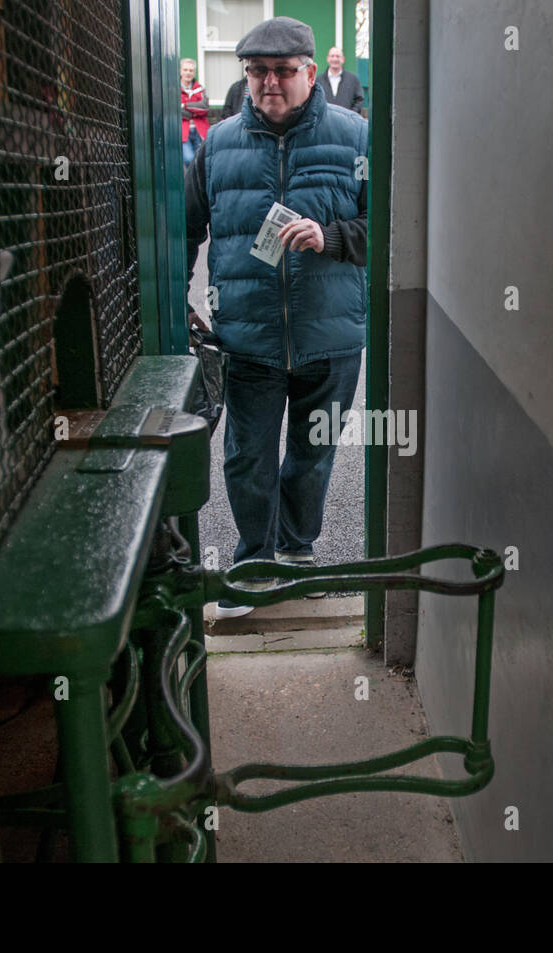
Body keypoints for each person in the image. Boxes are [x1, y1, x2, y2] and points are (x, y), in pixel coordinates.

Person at [184, 17, 368, 619]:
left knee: (312, 455)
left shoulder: (357, 139)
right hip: (248, 337)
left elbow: (394, 228)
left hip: (330, 336)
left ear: (310, 74)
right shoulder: (218, 145)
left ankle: (297, 551)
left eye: (283, 71)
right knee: (246, 456)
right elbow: (185, 232)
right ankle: (252, 559)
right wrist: (182, 304)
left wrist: (333, 235)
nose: (269, 83)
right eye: (258, 71)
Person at [315, 46, 364, 114]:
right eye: (332, 56)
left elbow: (359, 100)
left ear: (343, 59)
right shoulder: (318, 80)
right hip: (325, 123)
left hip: (346, 123)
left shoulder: (353, 79)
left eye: (338, 56)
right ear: (328, 59)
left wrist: (351, 115)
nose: (335, 59)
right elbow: (314, 101)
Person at [180, 58, 208, 168]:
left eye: (191, 70)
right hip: (184, 132)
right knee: (189, 159)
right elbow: (177, 112)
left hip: (199, 131)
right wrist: (195, 109)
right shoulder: (173, 89)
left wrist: (185, 106)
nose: (188, 73)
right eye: (185, 70)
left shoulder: (199, 89)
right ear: (180, 71)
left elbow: (204, 108)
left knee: (201, 161)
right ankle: (189, 185)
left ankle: (198, 185)